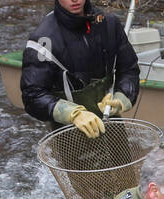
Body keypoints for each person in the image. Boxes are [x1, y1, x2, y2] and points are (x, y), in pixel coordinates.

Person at [21, 0, 140, 137]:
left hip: (111, 125)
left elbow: (129, 70)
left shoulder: (109, 24)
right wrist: (72, 114)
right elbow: (32, 96)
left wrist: (121, 99)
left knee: (122, 158)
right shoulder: (43, 39)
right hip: (69, 133)